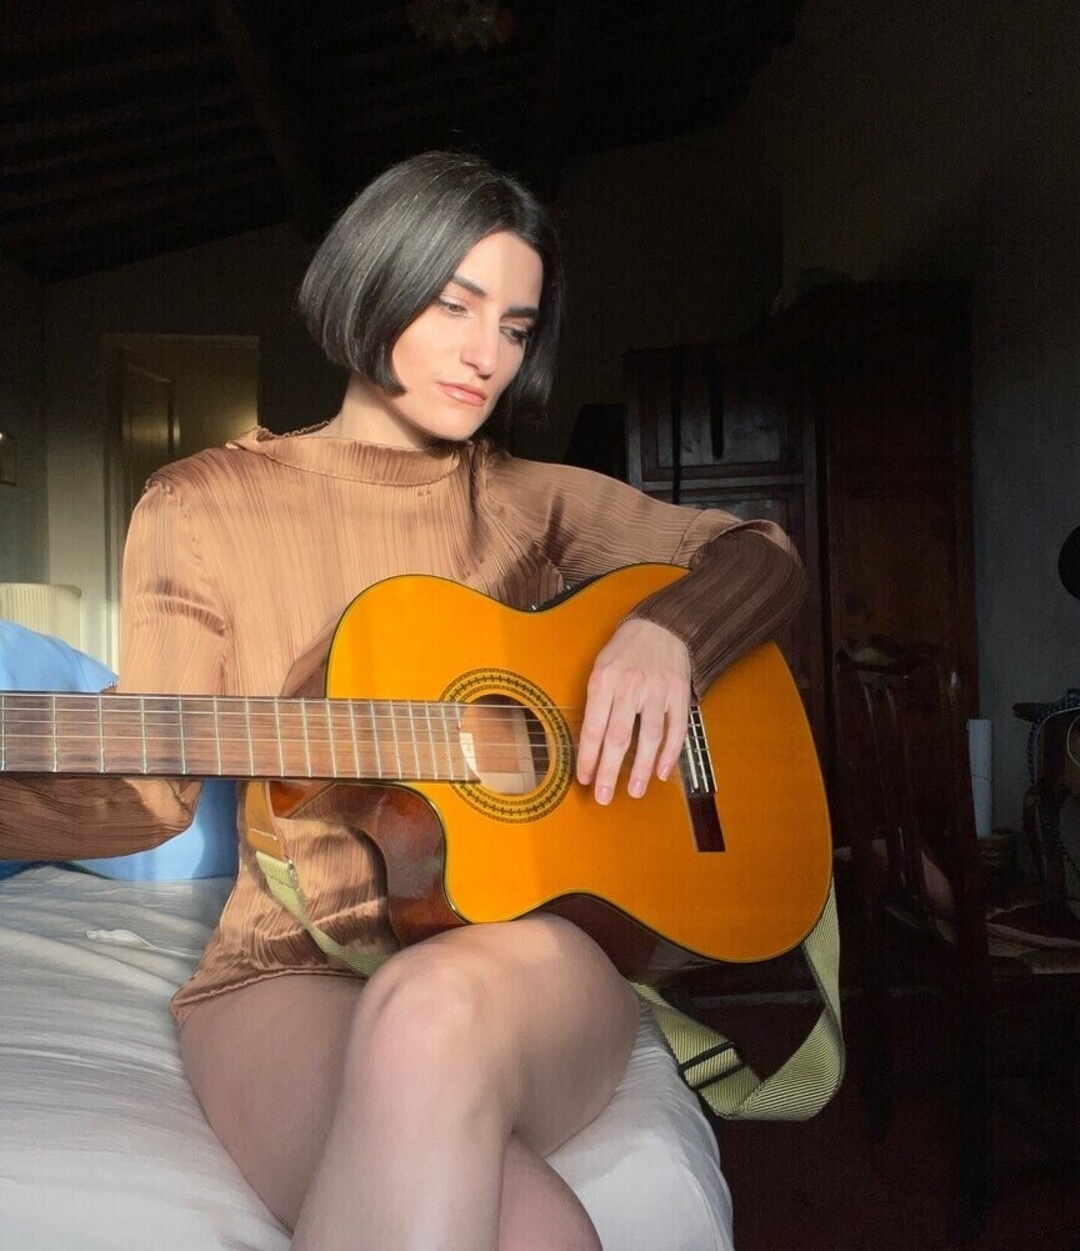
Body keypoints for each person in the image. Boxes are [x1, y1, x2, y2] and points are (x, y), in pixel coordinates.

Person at [0, 151, 806, 1250]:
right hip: (277, 972)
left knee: (430, 1006)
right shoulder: (199, 504)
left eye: (516, 326)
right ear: (373, 282)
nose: (487, 355)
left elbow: (761, 552)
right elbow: (150, 793)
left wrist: (673, 635)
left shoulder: (526, 500)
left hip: (525, 957)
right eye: (454, 305)